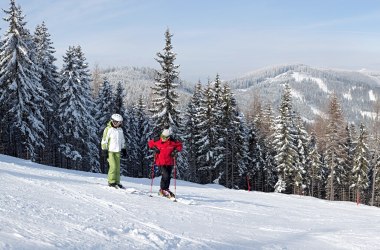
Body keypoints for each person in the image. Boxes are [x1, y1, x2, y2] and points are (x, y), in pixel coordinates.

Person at [148, 127, 182, 197]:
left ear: (168, 137)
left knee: (168, 176)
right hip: (160, 161)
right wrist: (155, 148)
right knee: (165, 175)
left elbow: (179, 145)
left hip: (169, 162)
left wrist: (175, 151)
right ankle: (162, 189)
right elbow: (150, 143)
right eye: (162, 136)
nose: (163, 138)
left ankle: (166, 189)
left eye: (165, 137)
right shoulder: (157, 140)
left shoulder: (173, 142)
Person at [101, 114, 127, 188]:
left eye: (119, 123)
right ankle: (111, 181)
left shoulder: (120, 130)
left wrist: (124, 148)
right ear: (112, 121)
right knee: (113, 166)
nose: (117, 124)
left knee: (118, 167)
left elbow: (122, 140)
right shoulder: (108, 129)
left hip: (117, 151)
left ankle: (117, 181)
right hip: (110, 151)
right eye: (116, 122)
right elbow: (104, 140)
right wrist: (104, 150)